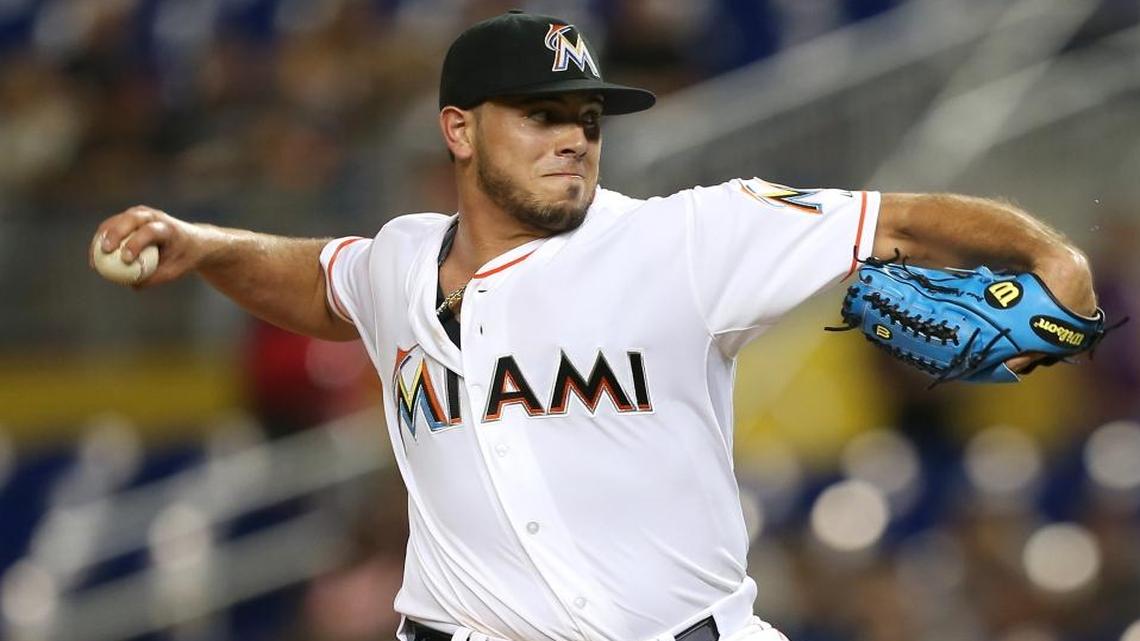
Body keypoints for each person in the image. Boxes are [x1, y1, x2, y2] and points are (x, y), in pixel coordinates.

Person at [91, 11, 1098, 641]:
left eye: (587, 118)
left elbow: (905, 217)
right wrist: (206, 244)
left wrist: (1059, 263)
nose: (574, 137)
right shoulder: (401, 257)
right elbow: (321, 282)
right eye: (541, 114)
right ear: (459, 128)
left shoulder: (691, 237)